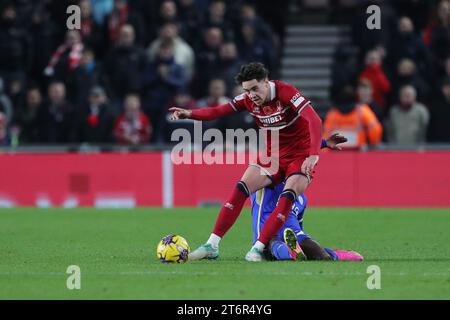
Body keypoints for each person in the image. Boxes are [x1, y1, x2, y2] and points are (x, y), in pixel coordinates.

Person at [169, 62, 323, 262]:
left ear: (266, 82)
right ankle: (212, 245)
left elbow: (315, 121)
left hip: (300, 156)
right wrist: (190, 113)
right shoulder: (247, 100)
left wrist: (313, 155)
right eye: (247, 91)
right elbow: (218, 111)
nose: (251, 95)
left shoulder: (286, 93)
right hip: (272, 156)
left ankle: (258, 248)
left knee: (287, 196)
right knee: (240, 188)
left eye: (255, 89)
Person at [253, 135, 363, 262]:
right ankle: (292, 252)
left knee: (319, 254)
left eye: (309, 175)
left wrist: (304, 242)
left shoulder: (301, 199)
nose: (307, 178)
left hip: (294, 235)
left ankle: (330, 254)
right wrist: (322, 143)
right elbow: (283, 151)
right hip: (268, 236)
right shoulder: (271, 182)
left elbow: (300, 226)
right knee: (274, 243)